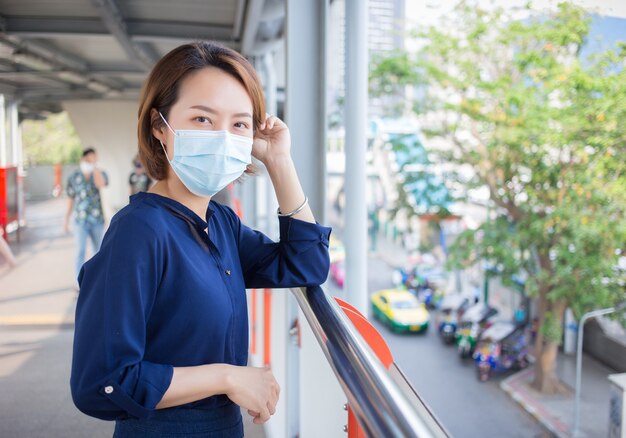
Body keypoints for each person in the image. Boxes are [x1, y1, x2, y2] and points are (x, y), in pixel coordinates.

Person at [70, 41, 331, 437]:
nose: (223, 138)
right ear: (159, 126)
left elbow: (306, 265)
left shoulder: (218, 222)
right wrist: (227, 377)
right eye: (203, 120)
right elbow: (101, 384)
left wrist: (279, 160)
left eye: (239, 124)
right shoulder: (138, 232)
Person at [64, 148, 109, 279]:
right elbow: (70, 198)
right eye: (89, 159)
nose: (91, 161)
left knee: (99, 252)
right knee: (80, 251)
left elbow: (101, 184)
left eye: (94, 159)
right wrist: (66, 220)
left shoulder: (101, 173)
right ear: (82, 159)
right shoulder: (74, 177)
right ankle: (79, 282)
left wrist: (95, 167)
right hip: (80, 221)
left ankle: (98, 280)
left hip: (97, 220)